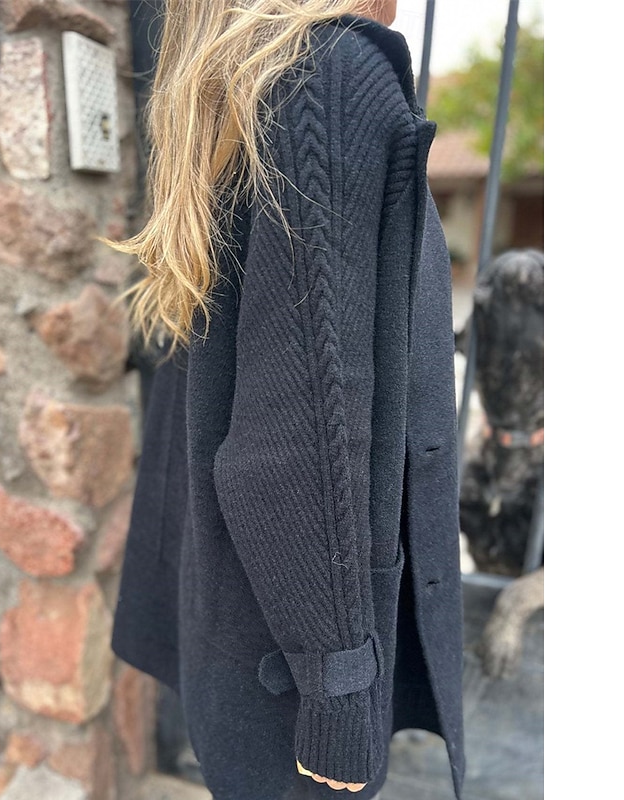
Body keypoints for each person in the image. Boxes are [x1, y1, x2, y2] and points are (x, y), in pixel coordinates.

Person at [99, 1, 466, 797]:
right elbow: (300, 442)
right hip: (294, 679)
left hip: (247, 637)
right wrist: (339, 690)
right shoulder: (326, 78)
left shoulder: (240, 88)